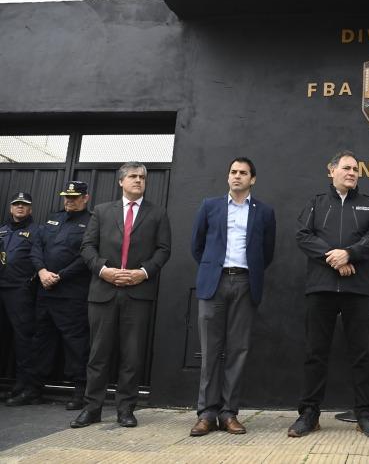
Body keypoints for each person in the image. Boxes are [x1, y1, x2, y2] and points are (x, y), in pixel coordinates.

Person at [289, 150, 369, 439]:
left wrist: (350, 254)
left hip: (359, 289)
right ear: (331, 171)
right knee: (315, 353)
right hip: (321, 288)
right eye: (346, 168)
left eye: (356, 169)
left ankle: (365, 415)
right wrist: (334, 258)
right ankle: (309, 414)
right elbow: (303, 236)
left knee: (361, 354)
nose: (352, 173)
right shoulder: (316, 203)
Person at [72, 162, 171, 428]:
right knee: (98, 354)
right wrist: (103, 270)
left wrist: (143, 272)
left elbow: (163, 250)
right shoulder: (102, 211)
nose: (138, 180)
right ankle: (92, 408)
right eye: (133, 176)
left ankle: (126, 409)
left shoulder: (157, 213)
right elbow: (87, 246)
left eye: (142, 177)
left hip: (138, 293)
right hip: (103, 291)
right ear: (120, 181)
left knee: (132, 355)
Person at [189, 157, 276, 437]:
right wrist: (213, 268)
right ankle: (206, 413)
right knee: (210, 351)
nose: (237, 176)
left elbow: (267, 252)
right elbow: (197, 245)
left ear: (252, 179)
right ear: (228, 177)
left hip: (245, 282)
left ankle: (228, 413)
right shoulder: (210, 206)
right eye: (233, 172)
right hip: (213, 283)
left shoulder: (264, 212)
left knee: (238, 350)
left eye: (243, 173)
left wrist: (247, 273)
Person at [27, 181, 92, 411]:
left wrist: (60, 276)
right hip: (45, 290)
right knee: (41, 340)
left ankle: (80, 392)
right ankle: (33, 389)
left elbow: (86, 256)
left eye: (74, 197)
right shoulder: (53, 218)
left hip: (71, 294)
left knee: (76, 343)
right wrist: (42, 271)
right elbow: (37, 247)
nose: (69, 201)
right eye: (67, 197)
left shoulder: (92, 222)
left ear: (85, 198)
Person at [1, 192, 40, 406]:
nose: (20, 207)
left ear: (30, 209)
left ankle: (28, 388)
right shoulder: (2, 230)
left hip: (20, 291)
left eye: (24, 205)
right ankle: (11, 387)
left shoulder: (37, 231)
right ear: (10, 208)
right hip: (1, 288)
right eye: (16, 204)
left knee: (24, 340)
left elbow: (39, 258)